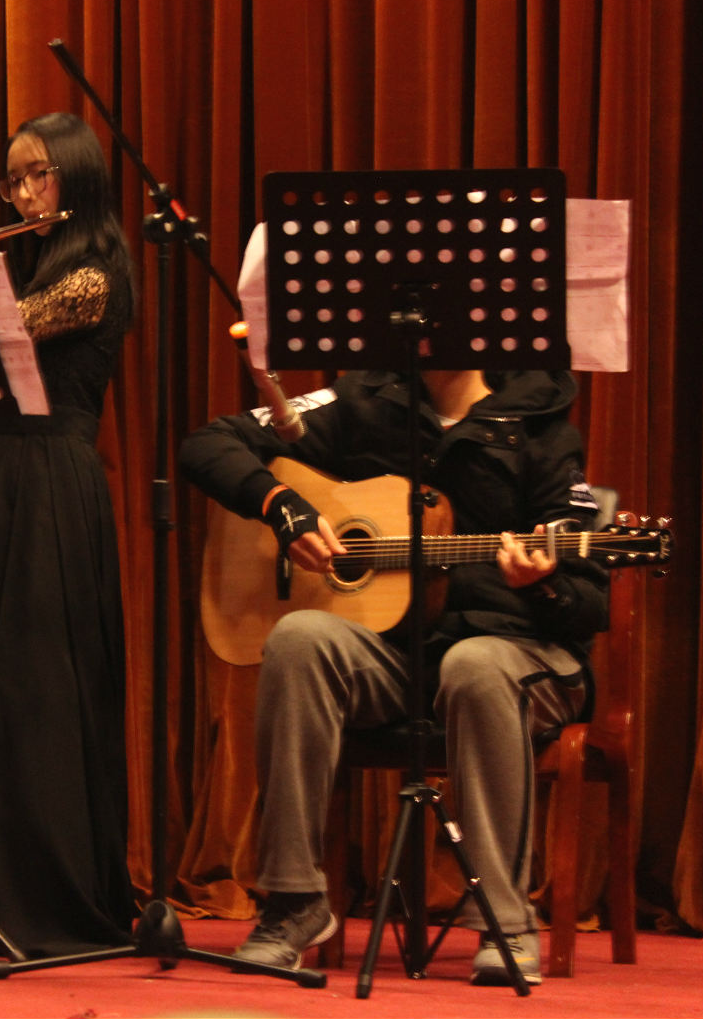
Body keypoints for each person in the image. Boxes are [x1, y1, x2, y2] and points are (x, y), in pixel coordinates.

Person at [178, 367, 608, 984]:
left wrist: (542, 585)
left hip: (516, 654)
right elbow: (208, 443)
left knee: (475, 664)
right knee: (300, 638)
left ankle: (504, 921)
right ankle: (294, 902)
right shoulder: (362, 403)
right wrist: (283, 507)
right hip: (398, 656)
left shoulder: (542, 432)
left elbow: (590, 603)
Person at [0, 112, 138, 958]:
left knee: (37, 691)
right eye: (13, 179)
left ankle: (48, 901)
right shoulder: (28, 262)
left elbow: (5, 326)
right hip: (4, 476)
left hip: (54, 484)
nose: (22, 193)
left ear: (75, 178)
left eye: (38, 175)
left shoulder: (96, 273)